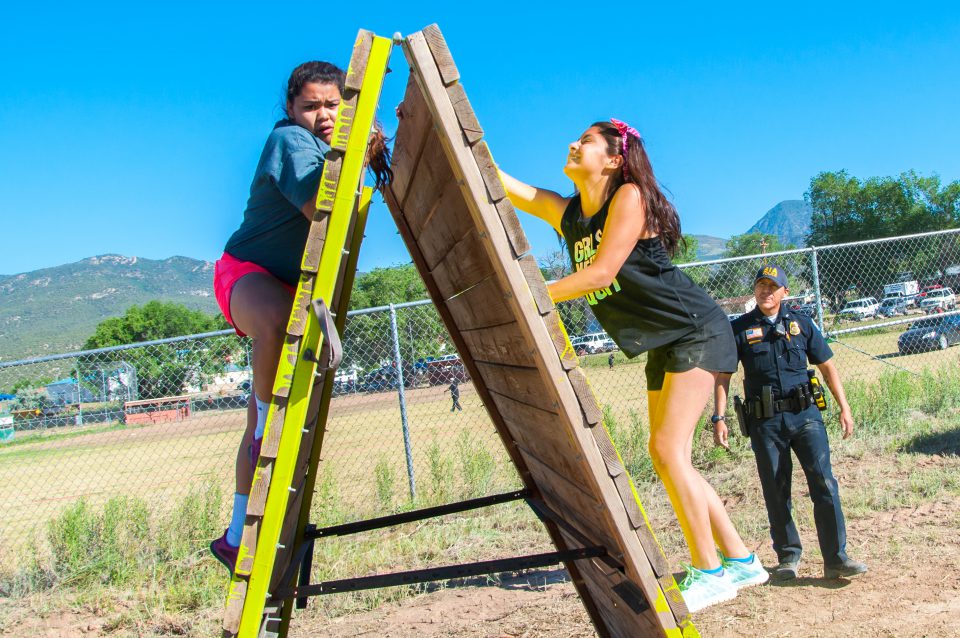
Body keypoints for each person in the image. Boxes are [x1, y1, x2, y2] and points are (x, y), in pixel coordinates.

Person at [499, 120, 767, 612]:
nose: (573, 144)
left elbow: (601, 273)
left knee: (667, 452)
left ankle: (709, 573)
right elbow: (505, 185)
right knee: (668, 455)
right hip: (666, 341)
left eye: (586, 141)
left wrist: (527, 293)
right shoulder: (569, 213)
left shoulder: (629, 197)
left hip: (696, 330)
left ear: (615, 159)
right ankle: (741, 560)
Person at [209, 61, 391, 573]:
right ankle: (266, 419)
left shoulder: (333, 153)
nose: (323, 114)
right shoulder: (290, 141)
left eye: (333, 104)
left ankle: (234, 536)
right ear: (291, 109)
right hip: (246, 273)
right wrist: (357, 148)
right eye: (311, 106)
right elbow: (319, 206)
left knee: (255, 436)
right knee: (274, 323)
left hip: (292, 287)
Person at [713, 264, 868, 581]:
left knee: (824, 484)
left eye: (772, 287)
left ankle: (836, 558)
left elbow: (827, 367)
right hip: (765, 422)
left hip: (806, 416)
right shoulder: (739, 329)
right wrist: (719, 417)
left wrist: (845, 407)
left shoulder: (801, 323)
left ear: (785, 291)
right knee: (776, 490)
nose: (766, 291)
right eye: (761, 285)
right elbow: (723, 377)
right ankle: (788, 556)